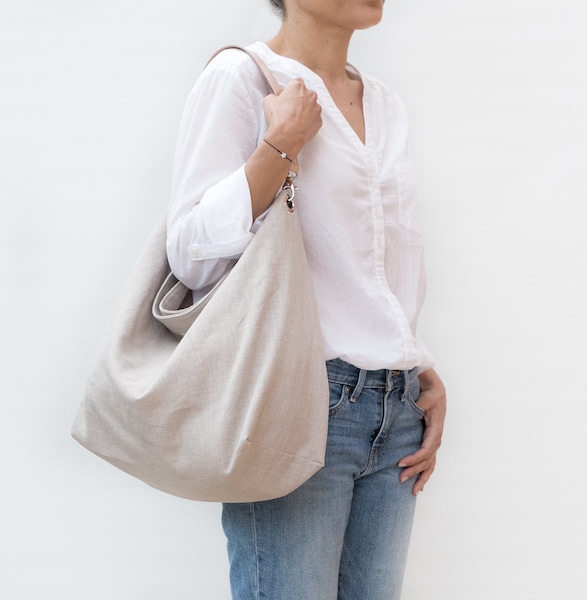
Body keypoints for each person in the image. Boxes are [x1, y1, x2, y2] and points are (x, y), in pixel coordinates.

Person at [166, 0, 446, 597]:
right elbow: (190, 253)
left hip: (395, 416)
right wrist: (281, 145)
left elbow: (373, 263)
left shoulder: (385, 104)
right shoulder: (242, 77)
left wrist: (413, 365)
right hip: (298, 401)